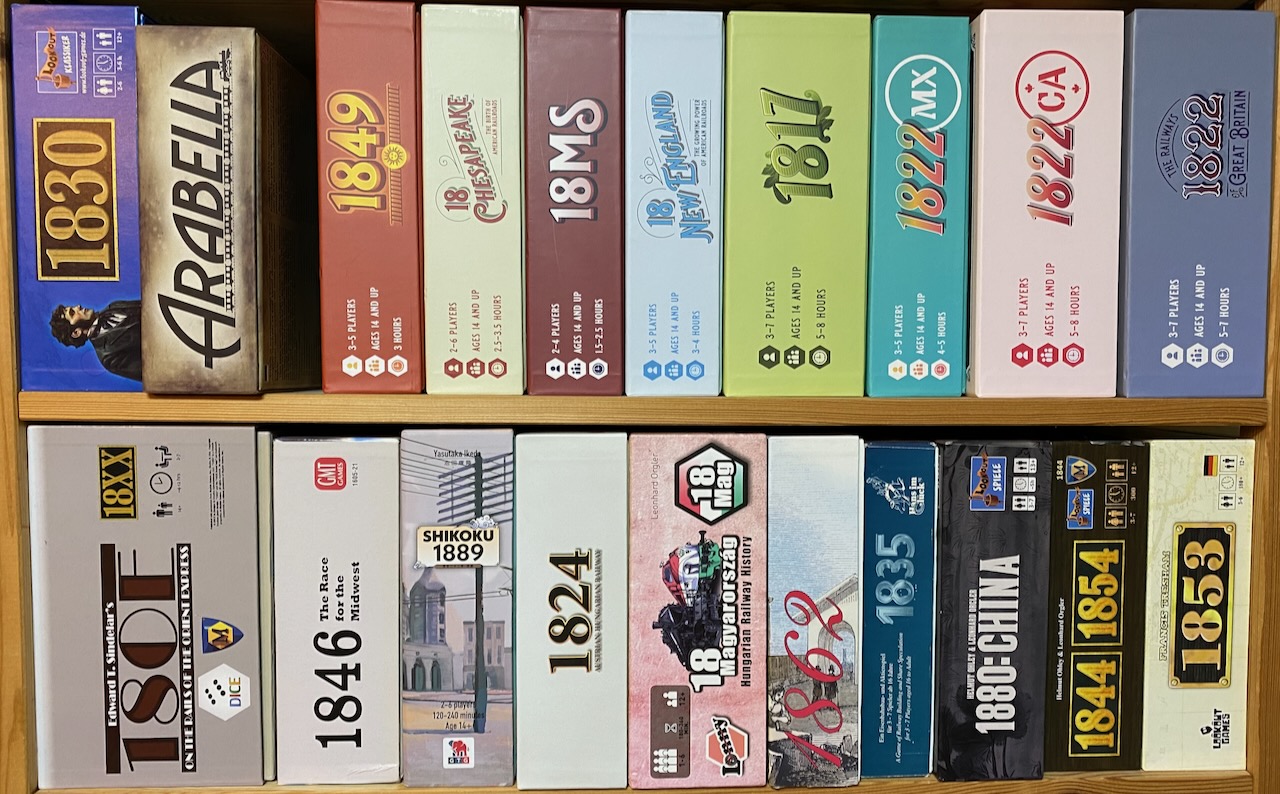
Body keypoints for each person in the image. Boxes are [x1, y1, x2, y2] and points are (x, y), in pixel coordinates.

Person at [48, 300, 142, 382]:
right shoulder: (108, 356)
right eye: (72, 313)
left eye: (73, 308)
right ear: (76, 333)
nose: (78, 306)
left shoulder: (114, 306)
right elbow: (148, 371)